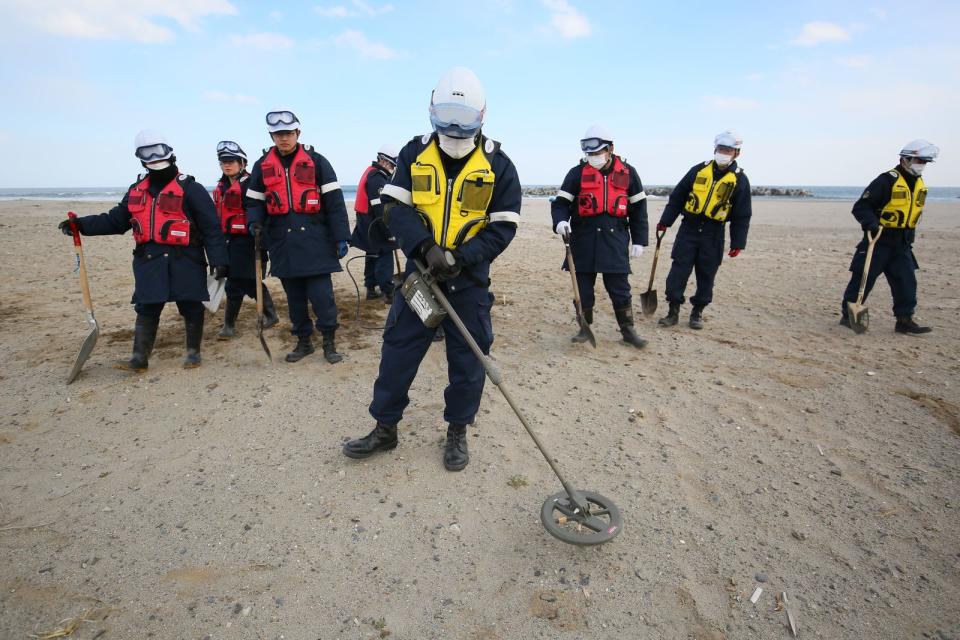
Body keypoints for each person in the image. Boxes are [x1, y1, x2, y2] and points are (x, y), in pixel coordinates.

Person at [342, 67, 521, 471]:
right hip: (419, 280)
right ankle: (385, 428)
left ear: (482, 115)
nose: (455, 127)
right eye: (447, 116)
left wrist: (461, 257)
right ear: (432, 111)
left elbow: (503, 227)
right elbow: (393, 208)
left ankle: (457, 429)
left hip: (469, 283)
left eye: (465, 119)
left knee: (468, 362)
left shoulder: (499, 164)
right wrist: (424, 246)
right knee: (398, 353)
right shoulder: (413, 153)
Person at [58, 130, 228, 370]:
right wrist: (82, 225)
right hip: (150, 260)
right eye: (146, 152)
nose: (154, 156)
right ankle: (139, 359)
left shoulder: (192, 189)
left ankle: (193, 354)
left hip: (187, 259)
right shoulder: (136, 190)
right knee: (147, 307)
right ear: (140, 157)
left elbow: (212, 228)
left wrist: (219, 260)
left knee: (190, 306)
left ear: (170, 152)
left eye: (158, 150)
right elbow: (116, 221)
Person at [243, 108, 351, 363]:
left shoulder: (318, 162)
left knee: (323, 297)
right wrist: (254, 223)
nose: (284, 139)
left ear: (297, 133)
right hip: (283, 244)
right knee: (295, 300)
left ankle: (329, 343)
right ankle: (304, 342)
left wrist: (341, 237)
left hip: (316, 242)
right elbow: (254, 203)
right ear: (272, 136)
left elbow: (335, 202)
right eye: (278, 134)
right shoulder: (261, 167)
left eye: (288, 133)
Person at [550, 125, 649, 348]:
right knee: (583, 289)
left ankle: (628, 330)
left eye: (597, 152)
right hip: (582, 240)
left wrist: (640, 240)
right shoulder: (576, 173)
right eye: (589, 153)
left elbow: (639, 209)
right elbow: (561, 205)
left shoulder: (629, 173)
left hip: (615, 239)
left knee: (620, 289)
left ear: (610, 148)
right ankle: (584, 327)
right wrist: (560, 222)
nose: (593, 157)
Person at [839, 139, 940, 334]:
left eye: (924, 162)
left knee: (906, 282)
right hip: (878, 241)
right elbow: (861, 207)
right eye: (919, 161)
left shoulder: (918, 183)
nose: (922, 166)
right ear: (905, 160)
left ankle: (904, 320)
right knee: (862, 280)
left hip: (902, 243)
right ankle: (848, 316)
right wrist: (871, 223)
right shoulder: (886, 180)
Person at [657, 130, 752, 329]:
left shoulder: (740, 180)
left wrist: (737, 243)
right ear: (715, 149)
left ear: (737, 153)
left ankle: (697, 312)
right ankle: (673, 311)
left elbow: (742, 216)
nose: (724, 152)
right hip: (688, 229)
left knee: (707, 274)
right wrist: (665, 221)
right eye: (721, 149)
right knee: (678, 271)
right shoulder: (698, 170)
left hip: (714, 233)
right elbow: (678, 197)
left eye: (728, 150)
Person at [212, 140, 279, 339]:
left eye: (231, 161)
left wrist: (261, 235)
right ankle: (266, 315)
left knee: (243, 282)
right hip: (228, 241)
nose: (227, 164)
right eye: (223, 161)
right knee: (241, 282)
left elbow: (261, 210)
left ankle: (232, 325)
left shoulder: (251, 183)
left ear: (242, 163)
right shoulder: (221, 186)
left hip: (248, 241)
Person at [350, 144, 399, 303]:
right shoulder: (377, 178)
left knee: (371, 254)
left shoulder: (371, 173)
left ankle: (371, 288)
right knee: (384, 254)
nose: (392, 168)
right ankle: (389, 293)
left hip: (366, 222)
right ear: (384, 162)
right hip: (374, 223)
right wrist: (389, 232)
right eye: (391, 165)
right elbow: (379, 208)